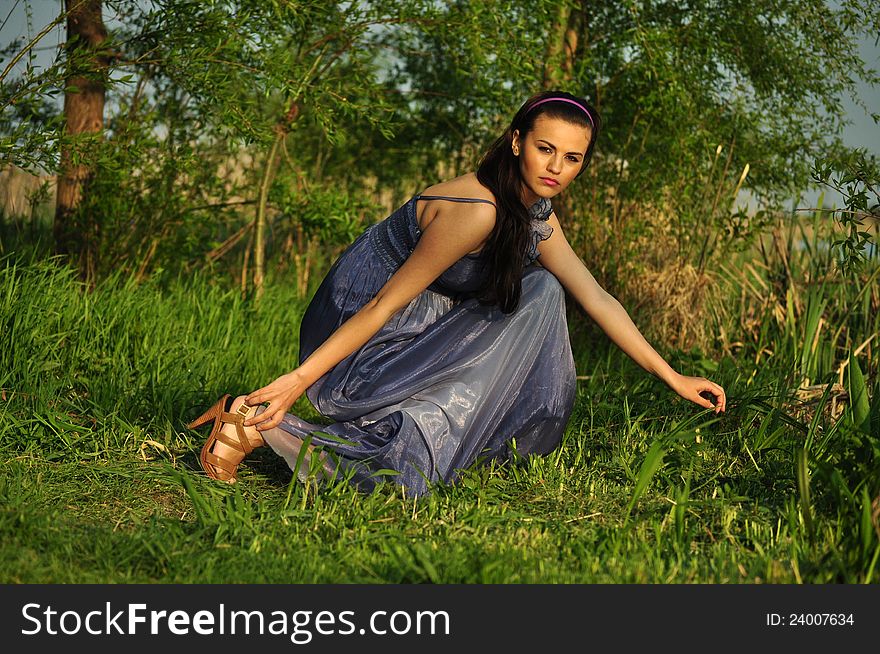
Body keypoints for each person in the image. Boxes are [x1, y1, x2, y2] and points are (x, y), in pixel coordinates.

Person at [187, 90, 727, 497]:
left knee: (543, 289)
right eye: (545, 150)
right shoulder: (478, 212)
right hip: (365, 320)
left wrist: (673, 376)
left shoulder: (533, 214)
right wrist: (299, 381)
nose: (557, 169)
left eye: (572, 158)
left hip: (418, 319)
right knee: (531, 296)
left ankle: (438, 436)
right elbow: (383, 303)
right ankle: (247, 420)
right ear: (517, 142)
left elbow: (598, 299)